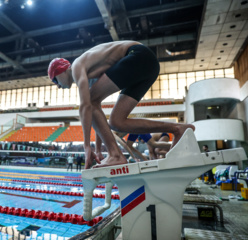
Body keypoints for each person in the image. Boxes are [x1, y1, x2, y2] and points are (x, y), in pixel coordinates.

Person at [48, 41, 194, 169]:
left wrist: (87, 146)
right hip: (148, 65)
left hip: (138, 56)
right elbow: (96, 112)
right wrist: (98, 150)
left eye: (55, 81)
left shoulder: (77, 66)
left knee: (89, 101)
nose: (58, 87)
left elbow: (85, 106)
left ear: (60, 70)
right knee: (116, 122)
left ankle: (116, 155)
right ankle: (177, 128)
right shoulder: (90, 74)